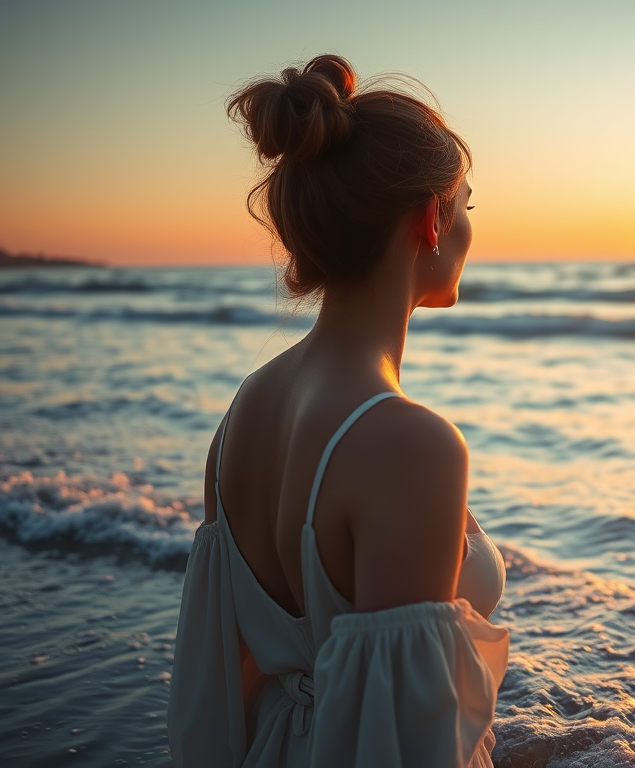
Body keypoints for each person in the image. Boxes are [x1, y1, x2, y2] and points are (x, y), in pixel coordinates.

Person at [166, 54, 508, 768]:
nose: (471, 228)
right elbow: (406, 743)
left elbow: (222, 682)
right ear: (430, 221)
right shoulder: (411, 445)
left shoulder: (241, 414)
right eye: (466, 205)